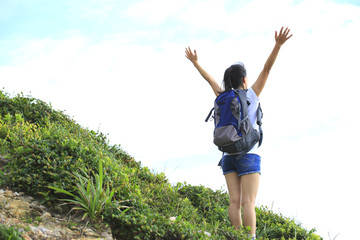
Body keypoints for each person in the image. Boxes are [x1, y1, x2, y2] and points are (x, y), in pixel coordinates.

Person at [185, 27, 292, 239]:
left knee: (234, 201)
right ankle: (249, 238)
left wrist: (196, 63)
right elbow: (267, 69)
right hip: (248, 155)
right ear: (244, 80)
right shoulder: (251, 95)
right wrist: (277, 46)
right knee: (248, 202)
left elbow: (209, 80)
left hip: (227, 157)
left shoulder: (223, 96)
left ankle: (236, 237)